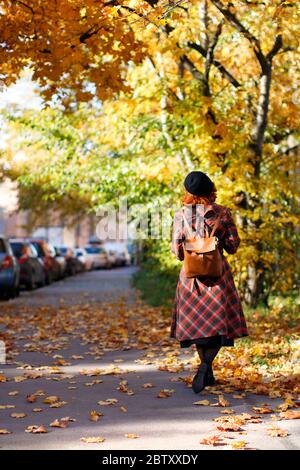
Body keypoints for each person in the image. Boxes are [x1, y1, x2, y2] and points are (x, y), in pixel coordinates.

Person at [171, 171, 248, 393]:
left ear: (188, 192)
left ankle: (205, 367)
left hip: (190, 278)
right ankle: (206, 366)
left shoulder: (180, 215)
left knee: (197, 326)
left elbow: (177, 251)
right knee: (216, 327)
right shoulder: (222, 213)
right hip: (217, 276)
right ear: (210, 189)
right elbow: (233, 246)